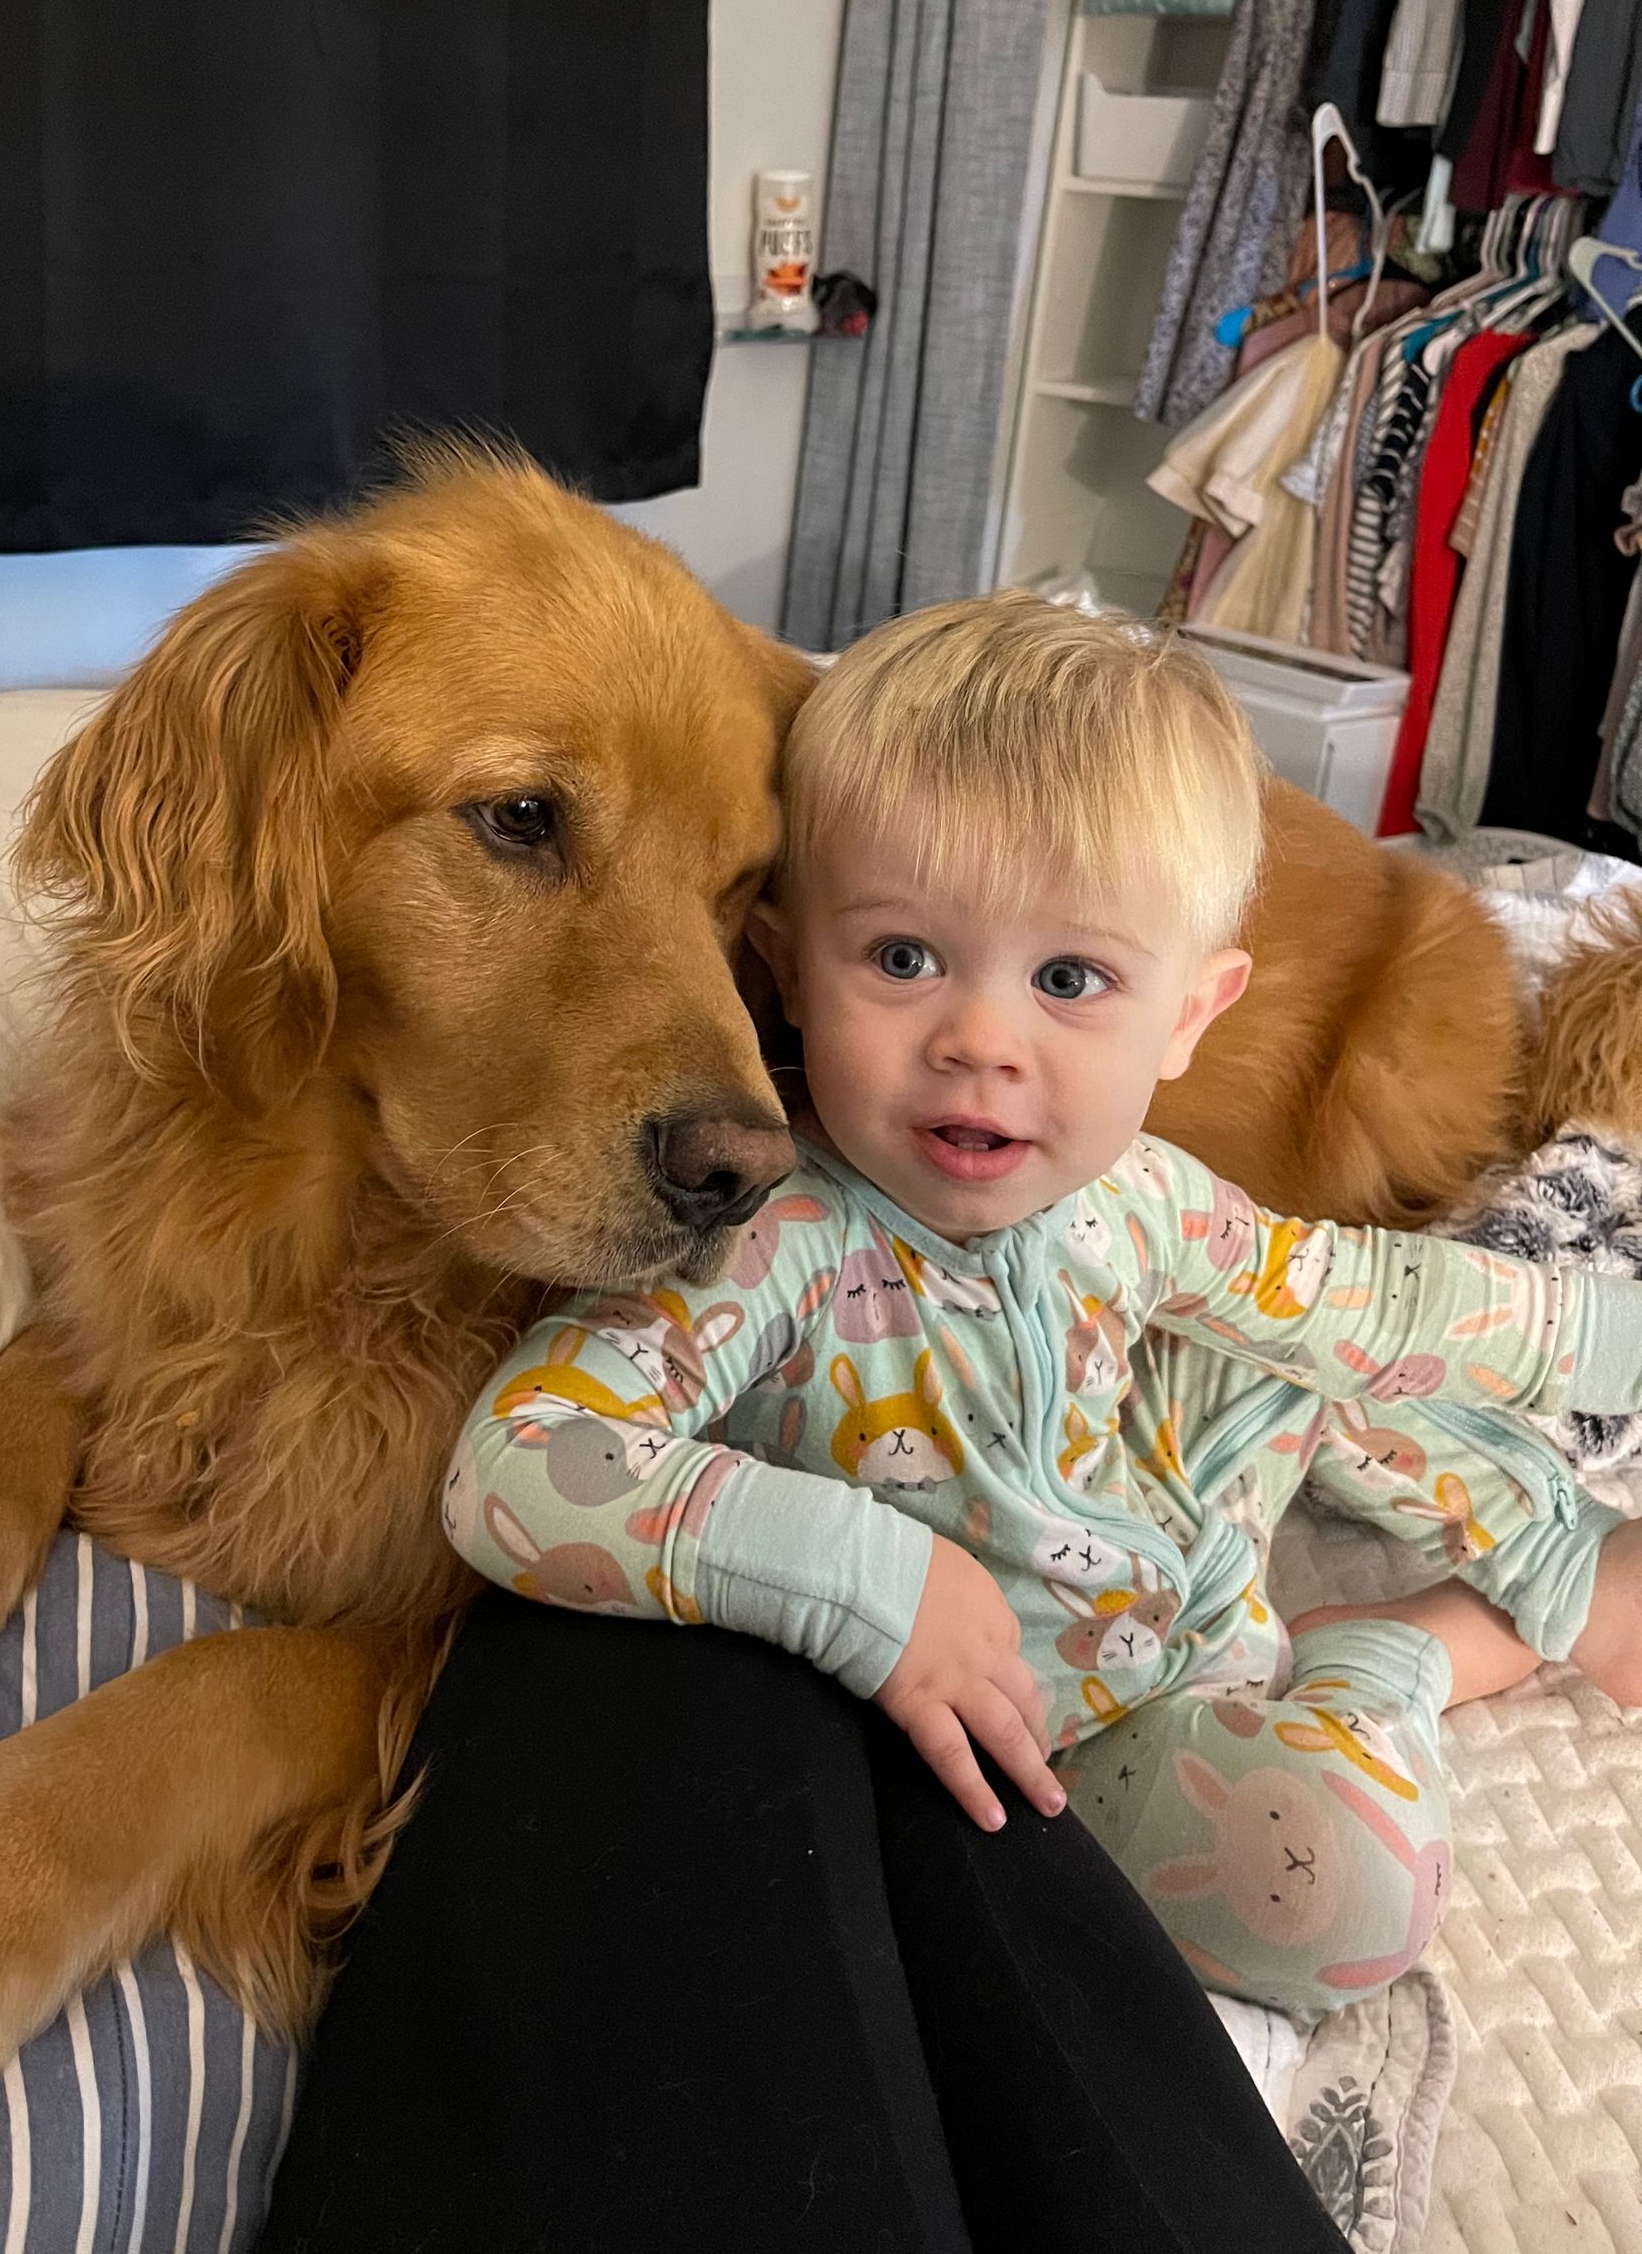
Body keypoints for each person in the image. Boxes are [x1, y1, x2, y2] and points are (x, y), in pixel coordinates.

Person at [445, 592, 1642, 2016]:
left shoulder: (1145, 1197)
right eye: (902, 959)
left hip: (1191, 1570)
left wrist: (1603, 1341)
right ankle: (1398, 1662)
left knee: (1308, 1332)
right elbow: (518, 1461)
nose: (979, 1042)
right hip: (1055, 1739)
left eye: (1070, 979)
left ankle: (1553, 1571)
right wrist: (863, 1581)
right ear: (784, 964)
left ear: (1190, 1016)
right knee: (1346, 1893)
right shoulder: (770, 1239)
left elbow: (1376, 1302)